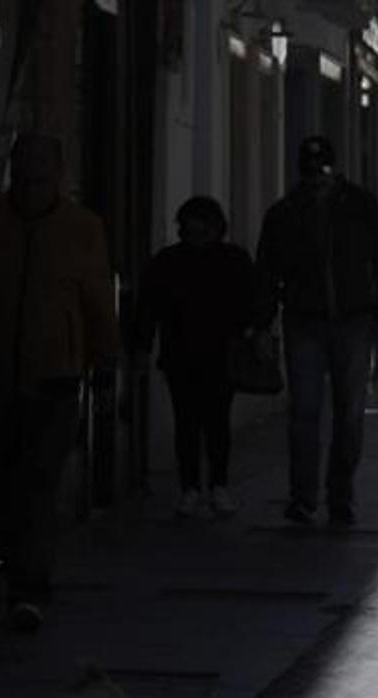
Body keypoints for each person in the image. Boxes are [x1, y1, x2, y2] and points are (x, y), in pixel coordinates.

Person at [0, 133, 121, 630]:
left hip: (55, 376)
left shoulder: (81, 228)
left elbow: (96, 299)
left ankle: (30, 586)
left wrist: (105, 360)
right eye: (23, 174)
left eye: (40, 176)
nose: (30, 186)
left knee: (40, 483)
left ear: (58, 175)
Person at [254, 135, 378, 527]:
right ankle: (303, 498)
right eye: (311, 171)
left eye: (322, 171)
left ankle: (340, 496)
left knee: (349, 414)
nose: (317, 179)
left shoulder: (360, 206)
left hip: (354, 320)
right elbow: (267, 272)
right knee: (304, 412)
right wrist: (261, 324)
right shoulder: (285, 213)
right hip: (304, 320)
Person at [134, 196, 253, 518]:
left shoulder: (175, 261)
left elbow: (148, 309)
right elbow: (149, 308)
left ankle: (206, 486)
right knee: (197, 422)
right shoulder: (224, 260)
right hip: (188, 355)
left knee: (207, 422)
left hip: (209, 355)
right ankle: (203, 487)